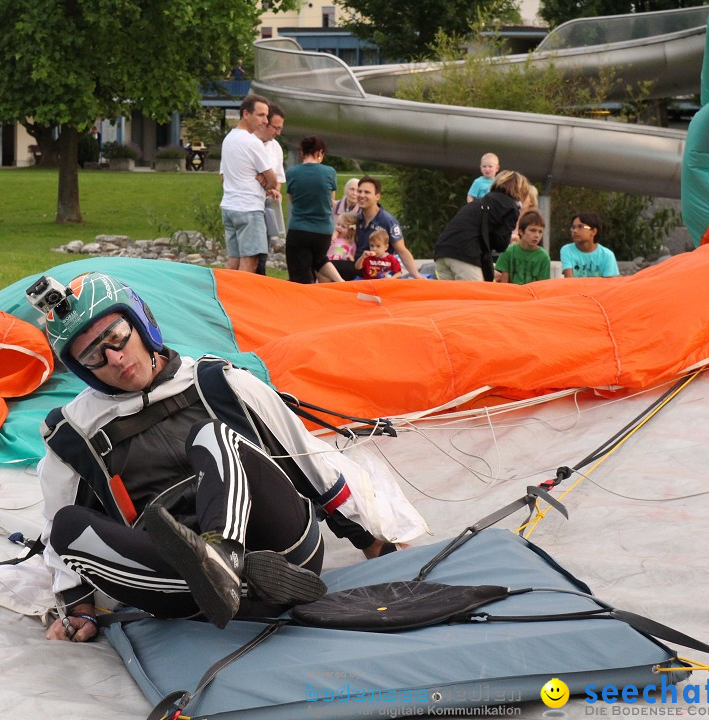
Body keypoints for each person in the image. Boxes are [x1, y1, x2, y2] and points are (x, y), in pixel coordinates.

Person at [30, 272, 424, 642]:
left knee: (213, 435)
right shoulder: (73, 435)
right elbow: (60, 536)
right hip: (182, 588)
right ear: (82, 370)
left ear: (140, 321)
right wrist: (77, 606)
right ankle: (226, 577)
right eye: (94, 357)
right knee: (66, 526)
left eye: (116, 336)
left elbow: (311, 463)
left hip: (280, 547)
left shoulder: (219, 383)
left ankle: (223, 557)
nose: (114, 358)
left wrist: (375, 543)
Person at [434, 169, 530, 282]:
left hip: (442, 251)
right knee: (474, 297)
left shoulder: (481, 201)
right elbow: (501, 244)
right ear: (520, 190)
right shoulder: (510, 207)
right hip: (465, 254)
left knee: (451, 298)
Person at [220, 94, 277, 274]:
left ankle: (224, 298)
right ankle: (240, 301)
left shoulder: (229, 139)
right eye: (260, 115)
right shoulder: (252, 142)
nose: (265, 121)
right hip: (249, 208)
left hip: (229, 206)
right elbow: (273, 180)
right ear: (246, 114)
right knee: (250, 262)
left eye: (266, 116)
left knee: (233, 261)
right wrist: (266, 184)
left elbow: (223, 176)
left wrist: (262, 178)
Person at [331, 176, 424, 281]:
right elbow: (343, 232)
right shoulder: (356, 218)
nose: (361, 195)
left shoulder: (388, 221)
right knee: (324, 265)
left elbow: (401, 250)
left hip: (376, 269)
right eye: (359, 191)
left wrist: (416, 275)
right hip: (357, 265)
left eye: (367, 192)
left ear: (377, 196)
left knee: (326, 266)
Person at [284, 135, 342, 284]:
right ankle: (340, 281)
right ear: (320, 153)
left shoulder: (292, 172)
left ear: (302, 153)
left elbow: (293, 199)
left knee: (300, 276)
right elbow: (330, 201)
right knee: (320, 259)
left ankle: (303, 302)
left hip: (299, 229)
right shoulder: (330, 172)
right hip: (323, 231)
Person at [255, 104, 287, 276]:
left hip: (266, 207)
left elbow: (278, 180)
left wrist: (274, 189)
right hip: (249, 206)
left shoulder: (275, 148)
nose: (278, 133)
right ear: (266, 123)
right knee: (248, 256)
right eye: (276, 128)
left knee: (262, 253)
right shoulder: (249, 142)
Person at [496, 209, 551, 285]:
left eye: (540, 231)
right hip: (512, 294)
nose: (537, 235)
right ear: (521, 231)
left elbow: (543, 285)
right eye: (532, 230)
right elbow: (504, 284)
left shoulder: (544, 257)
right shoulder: (509, 252)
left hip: (532, 294)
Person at [561, 212, 620, 278]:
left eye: (580, 227)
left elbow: (609, 285)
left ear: (593, 231)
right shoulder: (567, 250)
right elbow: (569, 282)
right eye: (573, 227)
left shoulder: (607, 255)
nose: (575, 231)